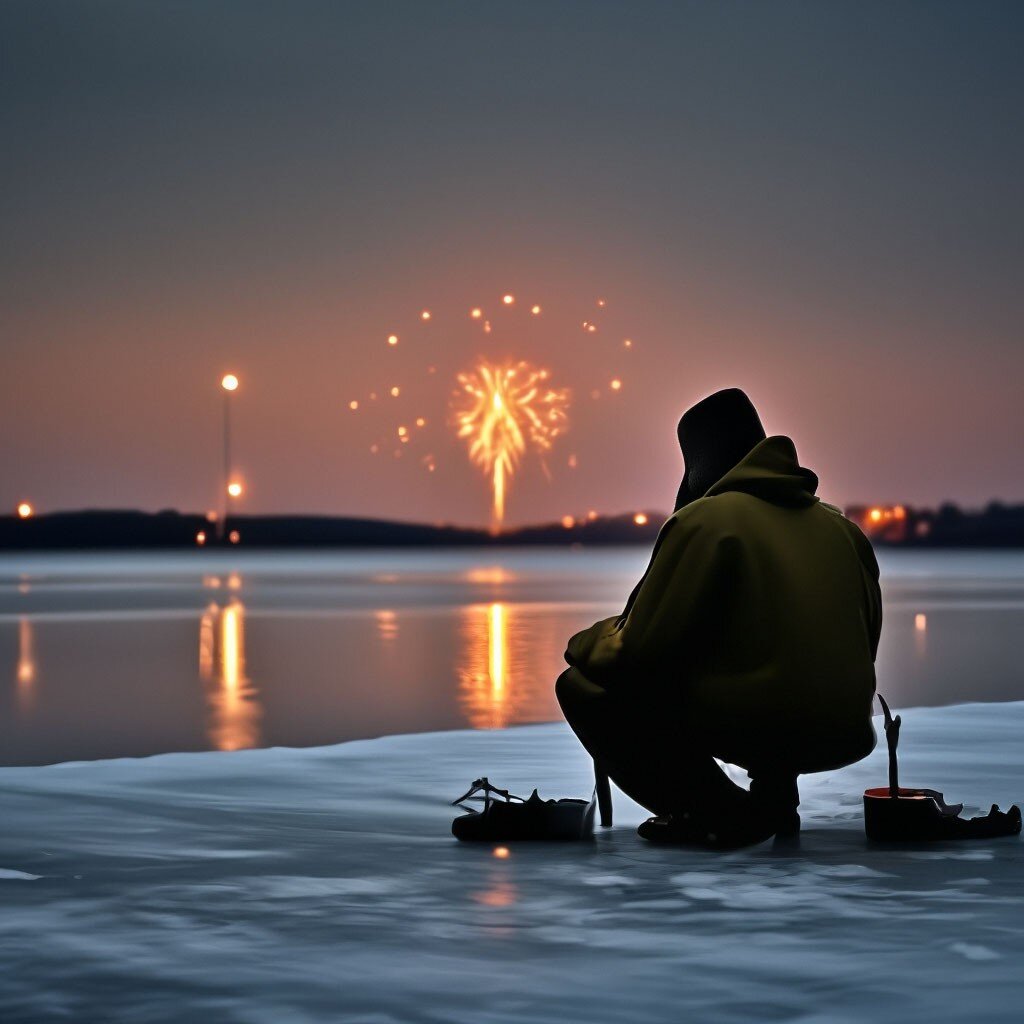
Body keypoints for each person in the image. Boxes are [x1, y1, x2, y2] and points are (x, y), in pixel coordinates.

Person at [556, 388, 882, 847]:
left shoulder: (706, 521)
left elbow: (639, 651)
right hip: (844, 725)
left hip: (760, 719)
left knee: (582, 685)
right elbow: (865, 638)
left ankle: (719, 812)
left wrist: (585, 642)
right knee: (769, 664)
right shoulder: (842, 528)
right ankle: (775, 801)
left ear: (697, 461)